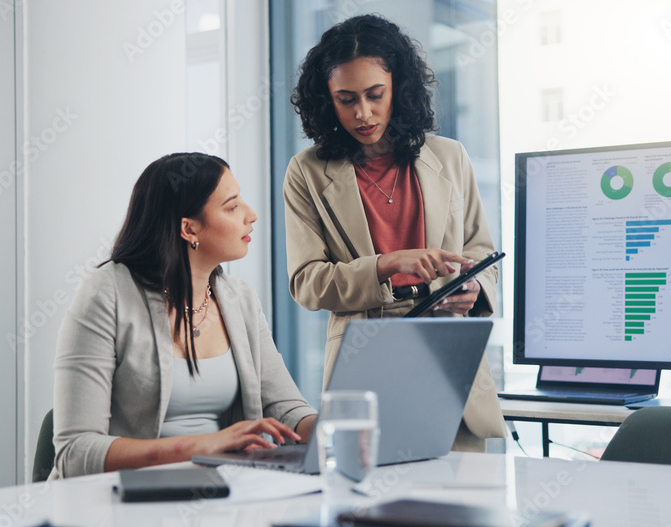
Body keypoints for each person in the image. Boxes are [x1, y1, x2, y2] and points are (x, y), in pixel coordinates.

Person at [283, 14, 505, 452]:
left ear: (397, 89)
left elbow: (482, 254)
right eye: (346, 100)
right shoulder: (306, 172)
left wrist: (474, 288)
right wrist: (386, 265)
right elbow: (306, 283)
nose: (362, 113)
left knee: (459, 501)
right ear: (327, 101)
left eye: (374, 95)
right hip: (365, 357)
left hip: (446, 353)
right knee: (364, 505)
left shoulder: (451, 157)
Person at [51, 153, 316, 479]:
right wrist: (205, 445)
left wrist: (339, 426)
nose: (252, 215)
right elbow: (75, 452)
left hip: (218, 492)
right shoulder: (107, 293)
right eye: (232, 207)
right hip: (119, 500)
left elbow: (286, 409)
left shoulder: (240, 298)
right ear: (189, 229)